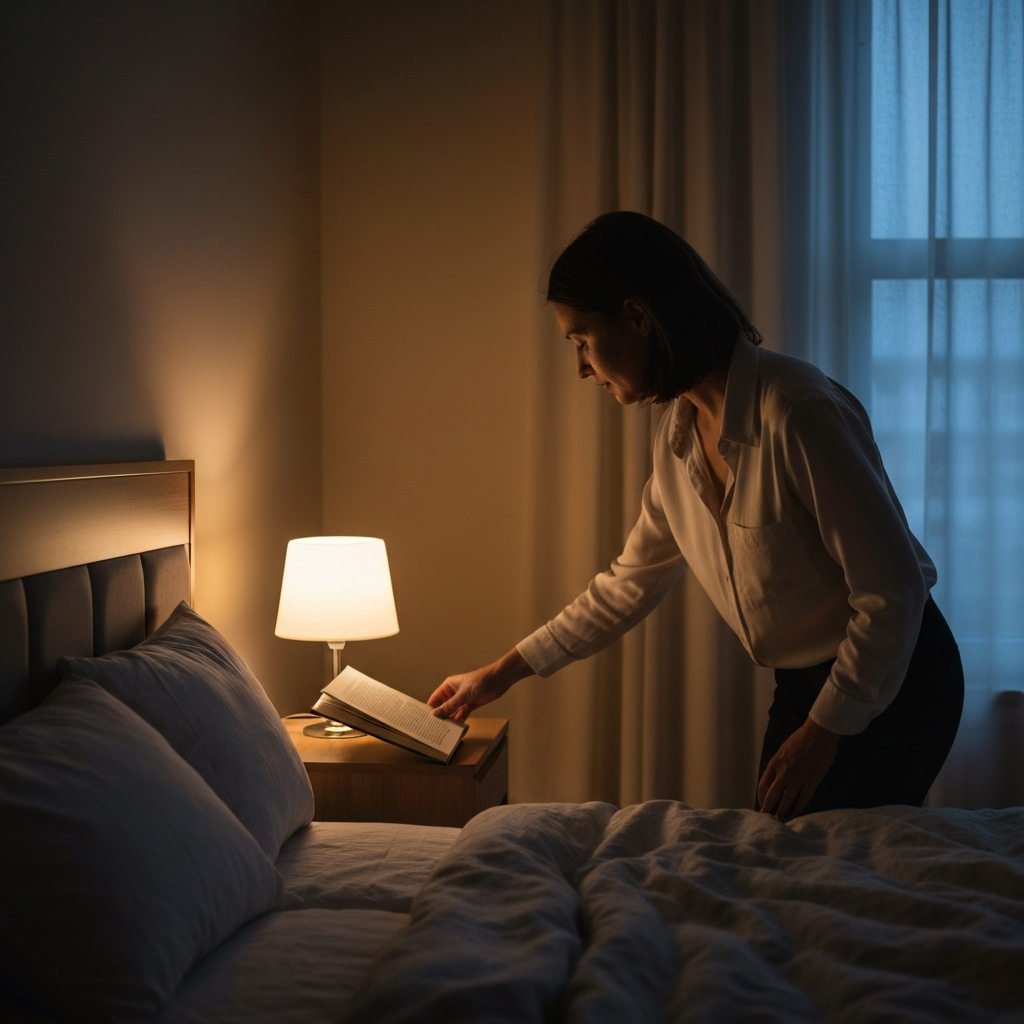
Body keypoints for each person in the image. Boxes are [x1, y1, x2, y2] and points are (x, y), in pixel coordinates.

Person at [428, 211, 964, 821]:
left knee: (829, 872)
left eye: (582, 341)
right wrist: (497, 676)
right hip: (804, 686)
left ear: (638, 318)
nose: (580, 368)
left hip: (895, 677)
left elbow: (893, 593)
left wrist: (826, 731)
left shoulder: (796, 412)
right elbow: (627, 586)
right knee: (783, 860)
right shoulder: (677, 437)